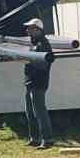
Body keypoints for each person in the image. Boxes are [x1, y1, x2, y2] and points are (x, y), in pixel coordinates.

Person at [22, 17, 55, 148]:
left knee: (40, 112)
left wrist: (29, 61)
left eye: (30, 28)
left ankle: (47, 140)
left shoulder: (44, 44)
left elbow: (44, 65)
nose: (27, 31)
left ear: (38, 30)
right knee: (30, 112)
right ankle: (34, 138)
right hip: (30, 82)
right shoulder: (34, 44)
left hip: (38, 83)